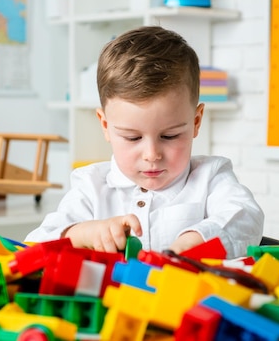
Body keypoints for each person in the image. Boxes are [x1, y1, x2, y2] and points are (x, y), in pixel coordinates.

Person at [25, 26, 264, 258]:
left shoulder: (210, 178)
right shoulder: (91, 186)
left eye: (169, 136)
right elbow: (35, 245)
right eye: (133, 137)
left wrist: (195, 240)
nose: (152, 154)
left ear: (196, 121)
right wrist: (84, 233)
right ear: (105, 125)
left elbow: (246, 218)